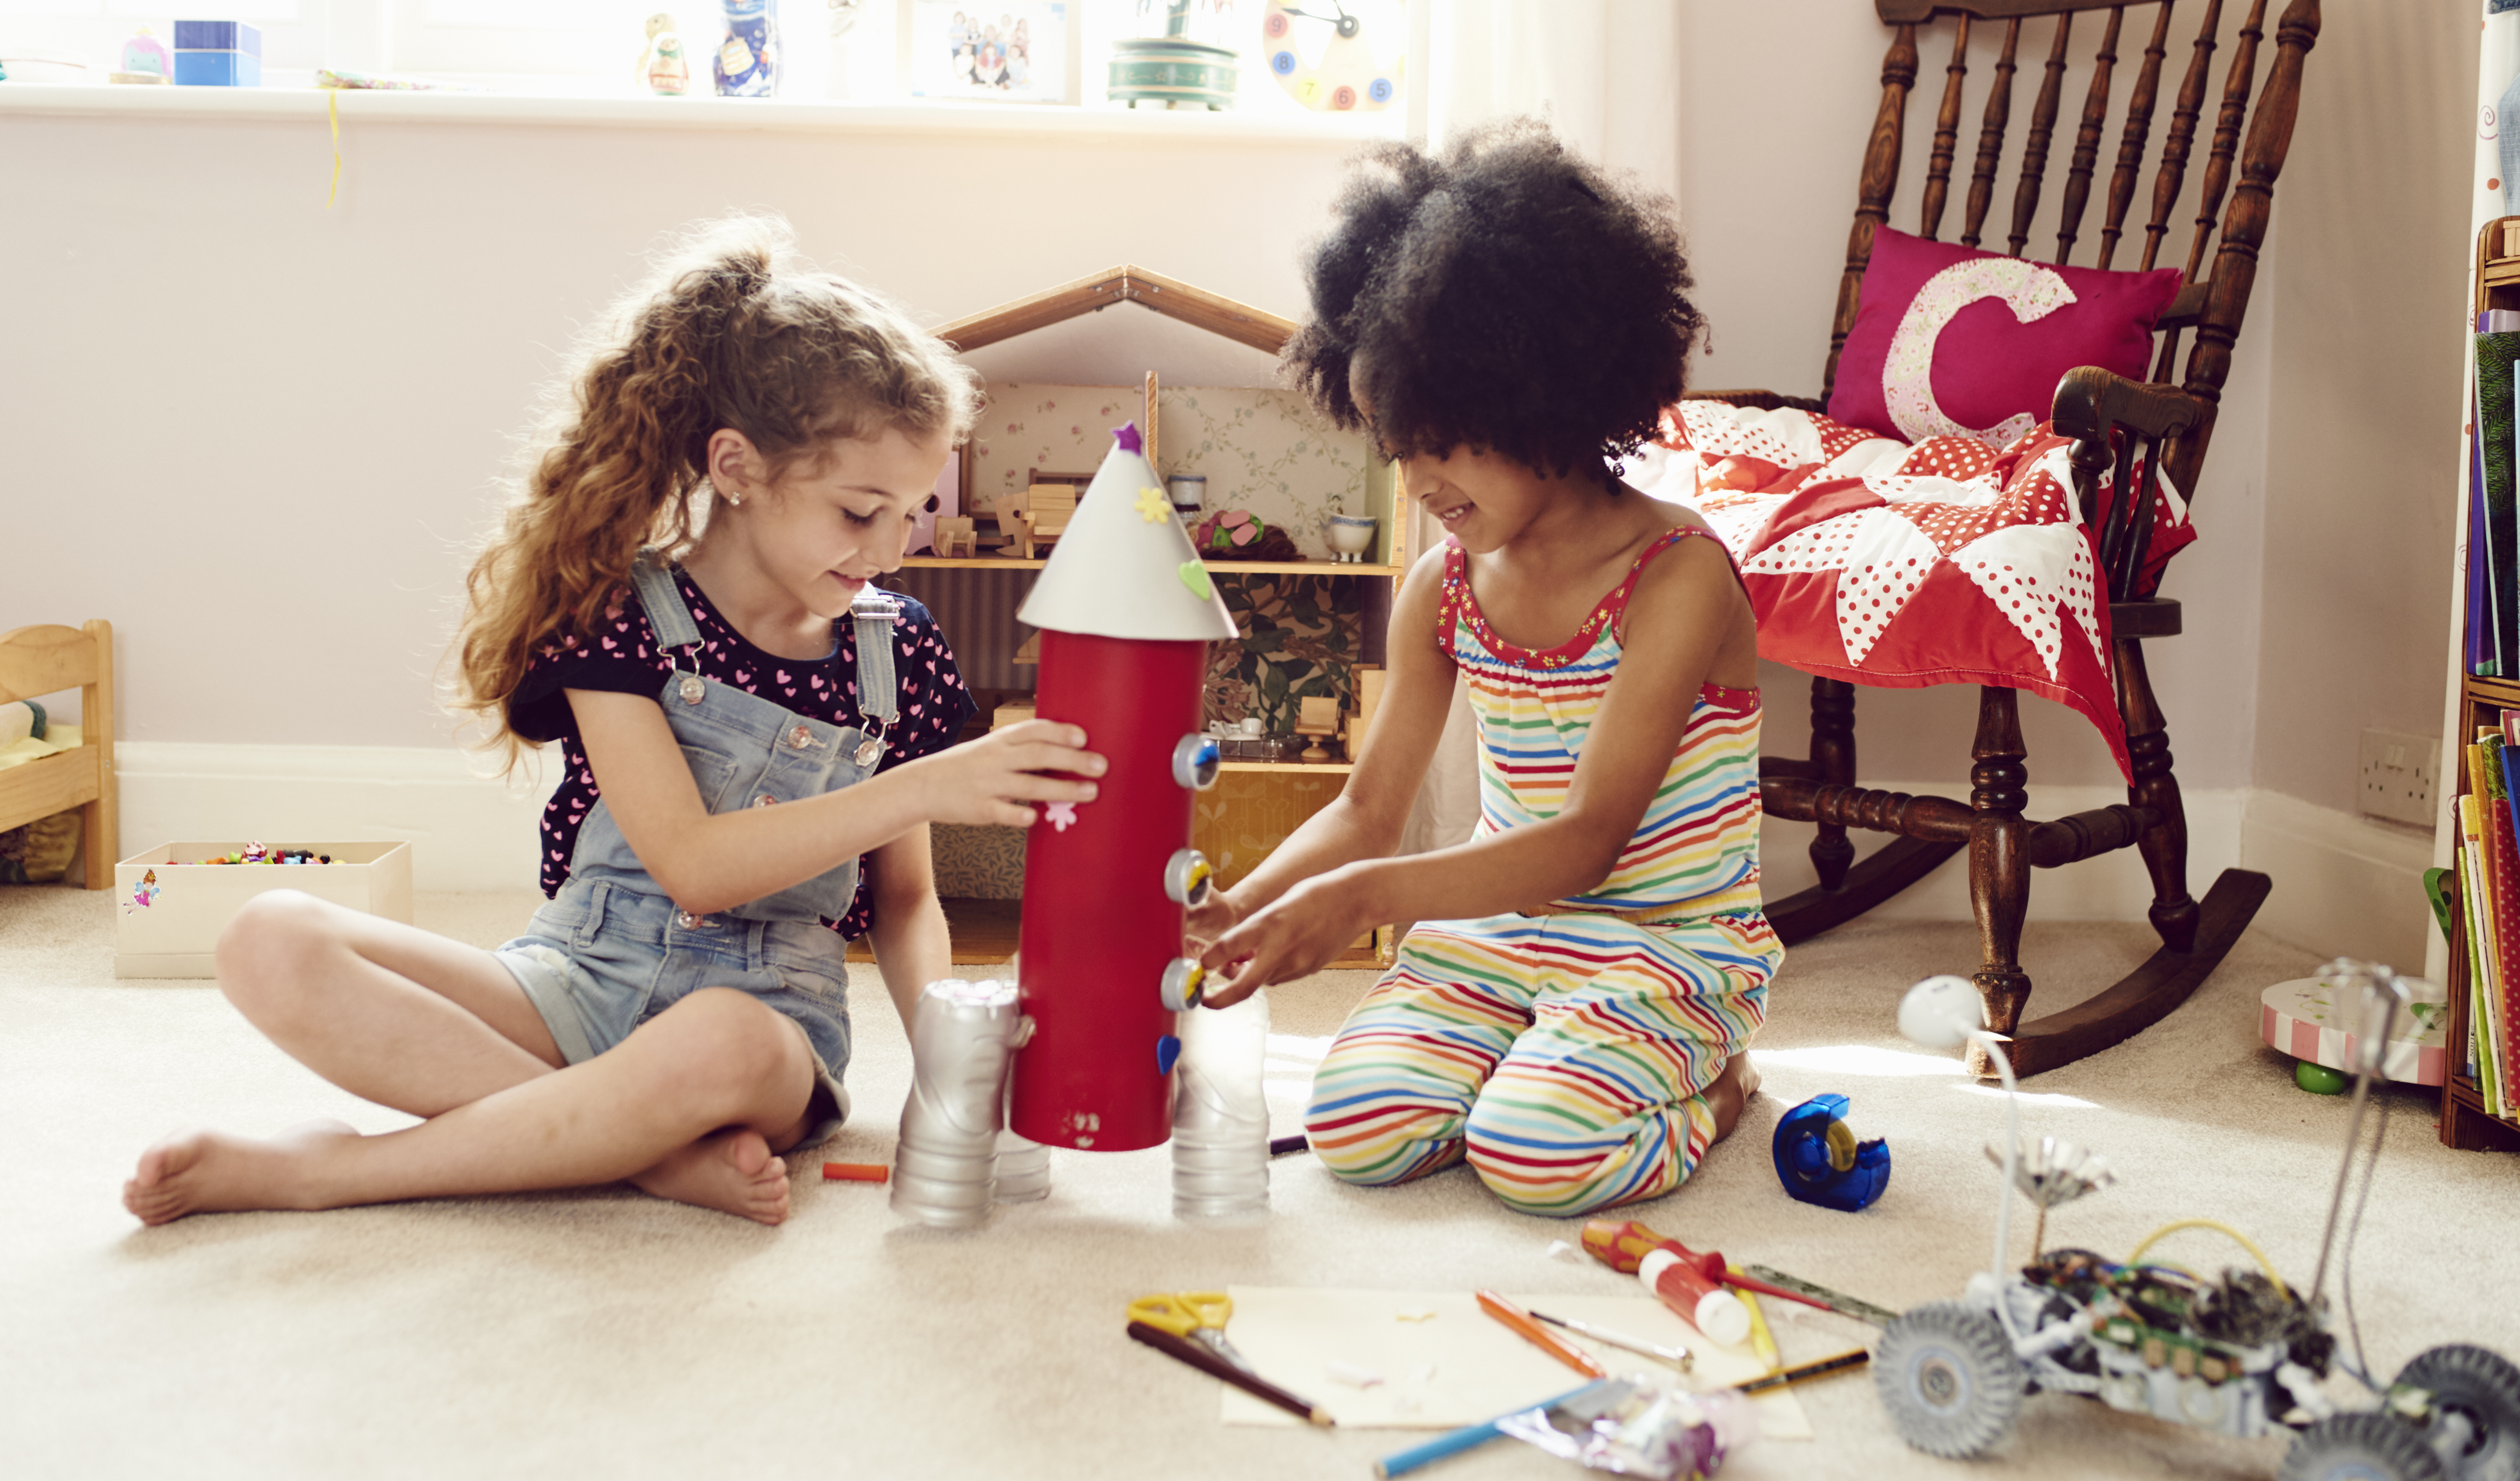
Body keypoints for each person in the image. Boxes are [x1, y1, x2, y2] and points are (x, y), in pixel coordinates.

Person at [124, 217, 1102, 1228]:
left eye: (913, 511)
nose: (892, 548)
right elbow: (690, 863)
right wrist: (930, 782)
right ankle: (643, 1151)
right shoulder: (622, 614)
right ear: (737, 466)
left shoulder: (896, 648)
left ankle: (332, 1170)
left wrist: (949, 1080)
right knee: (268, 936)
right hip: (576, 977)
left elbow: (902, 904)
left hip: (765, 1025)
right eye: (861, 512)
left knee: (720, 1038)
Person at [1189, 119, 1775, 1217]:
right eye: (1395, 444)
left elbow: (1589, 840)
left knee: (1537, 1158)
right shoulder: (1443, 586)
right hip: (1504, 931)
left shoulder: (1676, 575)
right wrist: (1247, 906)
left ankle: (1721, 1080)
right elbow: (1368, 806)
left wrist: (1361, 899)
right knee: (1354, 1130)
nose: (1414, 480)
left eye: (1443, 441)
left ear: (1541, 395)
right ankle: (1531, 1055)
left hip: (1665, 943)